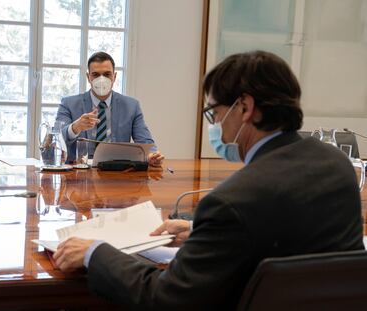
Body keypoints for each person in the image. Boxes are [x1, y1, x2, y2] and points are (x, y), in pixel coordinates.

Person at [53, 51, 364, 310]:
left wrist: (96, 251)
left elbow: (166, 298)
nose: (214, 125)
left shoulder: (231, 202)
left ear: (244, 108)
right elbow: (288, 235)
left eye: (214, 112)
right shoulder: (337, 166)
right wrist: (198, 230)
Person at [56, 51, 164, 166]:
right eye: (96, 75)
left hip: (117, 172)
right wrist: (75, 127)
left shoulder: (131, 106)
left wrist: (152, 156)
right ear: (88, 77)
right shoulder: (68, 103)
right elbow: (56, 140)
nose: (102, 79)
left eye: (107, 74)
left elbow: (145, 142)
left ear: (114, 76)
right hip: (78, 174)